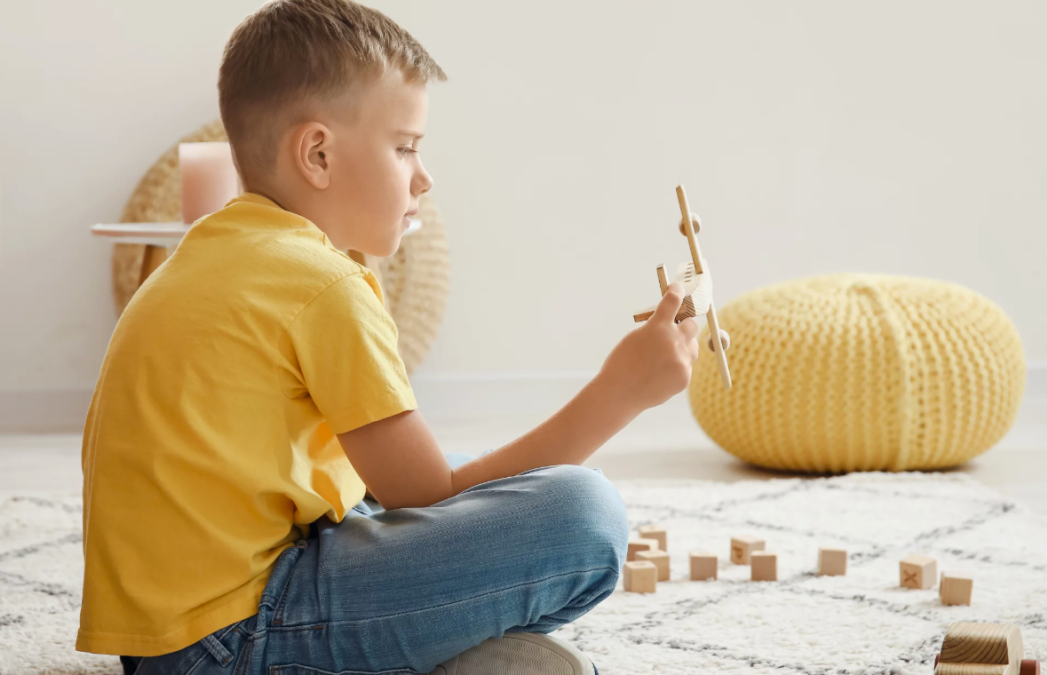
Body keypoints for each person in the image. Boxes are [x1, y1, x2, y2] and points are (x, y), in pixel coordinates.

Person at [77, 1, 701, 672]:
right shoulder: (321, 282)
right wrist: (622, 391)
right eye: (405, 147)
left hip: (159, 645)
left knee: (451, 477)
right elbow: (428, 494)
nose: (424, 177)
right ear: (317, 153)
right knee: (585, 514)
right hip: (234, 643)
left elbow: (391, 488)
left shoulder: (214, 251)